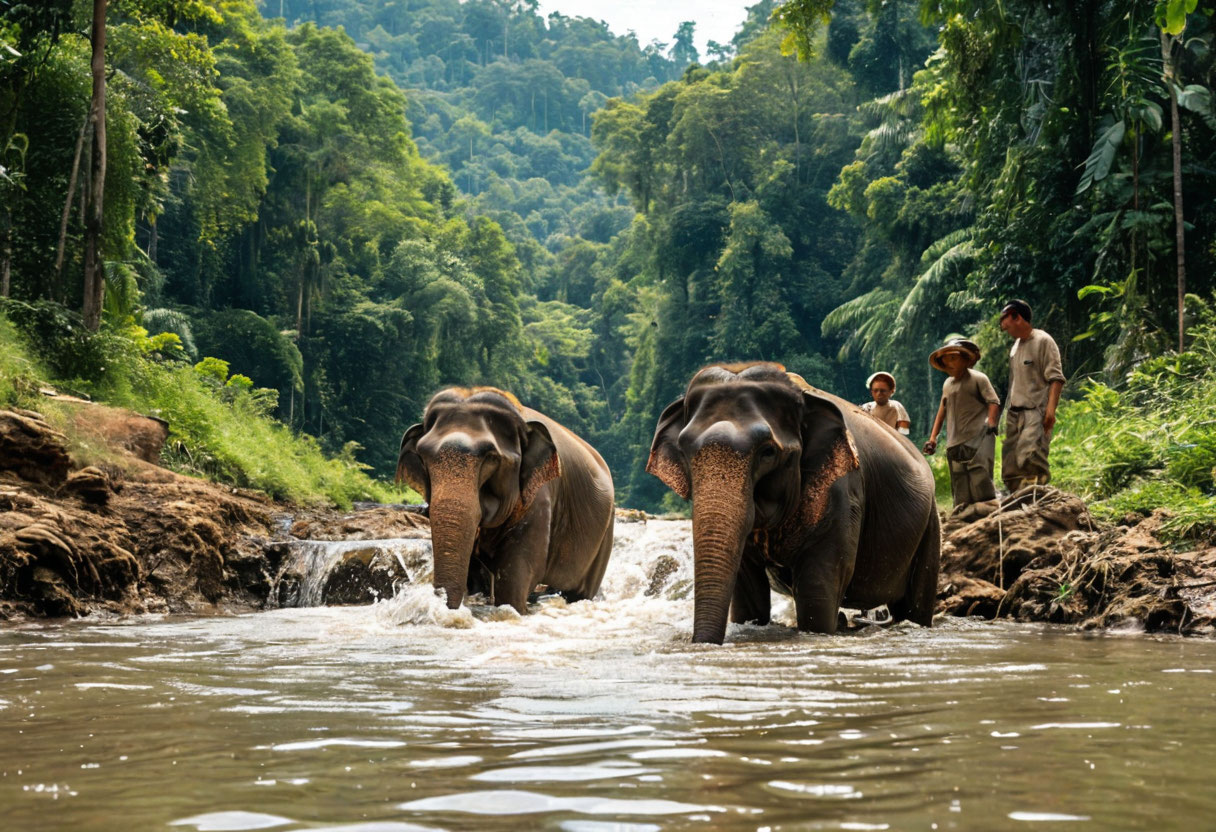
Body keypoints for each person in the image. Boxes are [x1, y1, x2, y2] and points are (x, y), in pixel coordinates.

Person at [922, 338, 1001, 513]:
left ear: (966, 359)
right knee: (959, 479)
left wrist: (991, 422)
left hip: (978, 437)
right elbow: (942, 411)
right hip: (954, 441)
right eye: (945, 359)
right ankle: (963, 515)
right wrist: (933, 438)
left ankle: (987, 512)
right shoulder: (947, 384)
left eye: (953, 358)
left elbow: (993, 401)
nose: (948, 363)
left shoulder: (978, 379)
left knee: (980, 475)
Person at [998, 299, 1066, 492]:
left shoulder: (1043, 341)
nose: (1004, 326)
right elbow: (1014, 382)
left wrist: (1050, 411)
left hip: (1035, 410)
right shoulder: (1015, 346)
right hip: (1014, 412)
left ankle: (1038, 498)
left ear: (1017, 317)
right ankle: (1016, 499)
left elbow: (1056, 378)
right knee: (1010, 463)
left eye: (1006, 321)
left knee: (1030, 456)